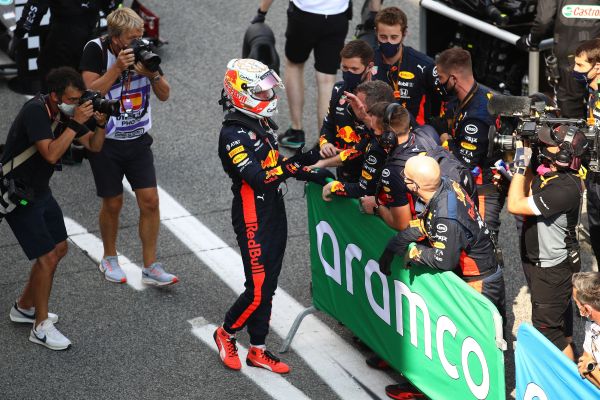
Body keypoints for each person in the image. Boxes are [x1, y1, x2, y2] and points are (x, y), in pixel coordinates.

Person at [215, 58, 329, 373]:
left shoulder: (258, 124)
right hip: (253, 214)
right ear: (241, 93)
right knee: (259, 287)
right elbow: (262, 177)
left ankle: (258, 348)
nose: (269, 97)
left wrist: (317, 174)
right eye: (262, 92)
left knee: (270, 283)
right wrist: (305, 158)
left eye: (268, 90)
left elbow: (274, 162)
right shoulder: (233, 135)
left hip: (273, 208)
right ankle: (225, 332)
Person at [377, 155, 505, 400]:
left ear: (415, 186)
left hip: (478, 282)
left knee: (473, 345)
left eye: (405, 178)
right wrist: (395, 244)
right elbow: (426, 224)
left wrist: (415, 253)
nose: (402, 179)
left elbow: (443, 259)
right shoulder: (444, 185)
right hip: (477, 274)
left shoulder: (447, 214)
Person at [1, 66, 107, 350]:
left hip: (40, 191)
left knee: (60, 248)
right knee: (47, 257)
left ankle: (24, 307)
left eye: (78, 99)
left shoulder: (68, 113)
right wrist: (75, 124)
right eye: (71, 100)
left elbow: (94, 146)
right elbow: (50, 154)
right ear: (55, 96)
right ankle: (41, 326)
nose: (76, 104)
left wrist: (100, 122)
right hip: (19, 193)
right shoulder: (36, 111)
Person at [79, 7, 178, 286]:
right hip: (106, 140)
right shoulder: (95, 50)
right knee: (113, 203)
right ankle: (109, 257)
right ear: (116, 38)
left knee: (150, 201)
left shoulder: (144, 51)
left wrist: (152, 74)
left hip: (138, 139)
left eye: (141, 36)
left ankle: (151, 266)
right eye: (132, 38)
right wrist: (118, 68)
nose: (138, 42)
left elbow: (165, 94)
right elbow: (89, 92)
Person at [507, 126, 587, 360]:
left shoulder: (563, 189)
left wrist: (521, 163)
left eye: (548, 144)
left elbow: (515, 204)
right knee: (559, 323)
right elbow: (532, 186)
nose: (542, 146)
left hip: (550, 270)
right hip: (547, 265)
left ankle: (566, 388)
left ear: (562, 156)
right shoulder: (558, 177)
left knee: (550, 332)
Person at [252, 0, 351, 149]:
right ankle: (323, 145)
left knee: (294, 66)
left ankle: (296, 132)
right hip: (337, 15)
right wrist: (374, 12)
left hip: (304, 13)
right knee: (327, 80)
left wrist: (262, 12)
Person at [434, 48, 504, 243]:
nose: (438, 83)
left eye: (440, 78)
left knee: (481, 249)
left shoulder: (477, 116)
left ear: (454, 78)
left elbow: (464, 163)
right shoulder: (474, 94)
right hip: (474, 186)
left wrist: (445, 138)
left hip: (482, 192)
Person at [516, 0, 600, 119]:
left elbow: (543, 20)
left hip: (569, 55)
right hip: (595, 52)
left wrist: (531, 40)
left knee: (570, 109)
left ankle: (578, 136)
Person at [8, 0, 120, 88]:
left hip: (66, 45)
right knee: (83, 93)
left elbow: (35, 9)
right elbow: (114, 11)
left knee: (60, 93)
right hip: (83, 44)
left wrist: (18, 35)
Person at [371, 6, 441, 126]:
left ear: (404, 34)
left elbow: (445, 98)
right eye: (383, 37)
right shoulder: (368, 60)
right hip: (374, 128)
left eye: (394, 37)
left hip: (413, 133)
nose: (388, 42)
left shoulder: (424, 65)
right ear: (376, 32)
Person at [318, 39, 374, 182]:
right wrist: (326, 144)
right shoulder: (338, 90)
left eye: (355, 69)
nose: (349, 73)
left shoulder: (379, 97)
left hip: (371, 174)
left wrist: (325, 163)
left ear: (369, 67)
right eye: (345, 68)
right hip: (344, 171)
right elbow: (328, 124)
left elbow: (366, 145)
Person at [573, 38, 600, 269]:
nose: (574, 70)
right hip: (593, 175)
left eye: (581, 66)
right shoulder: (592, 94)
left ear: (597, 66)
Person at [572, 272, 600, 389]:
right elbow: (584, 360)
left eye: (577, 303)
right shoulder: (591, 326)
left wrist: (592, 368)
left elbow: (586, 366)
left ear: (587, 309)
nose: (577, 307)